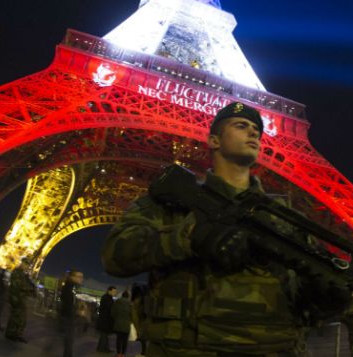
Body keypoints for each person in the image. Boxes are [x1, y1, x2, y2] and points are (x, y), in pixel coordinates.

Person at [102, 102, 331, 357]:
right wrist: (192, 237)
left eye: (257, 129)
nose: (254, 132)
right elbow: (115, 255)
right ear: (213, 140)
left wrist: (324, 298)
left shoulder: (288, 220)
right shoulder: (171, 203)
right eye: (241, 125)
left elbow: (302, 303)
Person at [5, 257, 36, 343]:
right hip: (17, 298)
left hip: (22, 299)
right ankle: (10, 334)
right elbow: (18, 286)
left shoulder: (23, 274)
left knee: (22, 318)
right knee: (15, 317)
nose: (27, 266)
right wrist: (28, 288)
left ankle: (18, 334)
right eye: (26, 264)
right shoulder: (16, 272)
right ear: (22, 263)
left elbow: (28, 285)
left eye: (28, 265)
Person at [58, 269, 85, 357]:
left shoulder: (72, 287)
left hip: (68, 316)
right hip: (68, 317)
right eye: (79, 277)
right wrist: (76, 311)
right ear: (72, 277)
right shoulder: (69, 287)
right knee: (69, 339)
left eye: (82, 277)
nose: (81, 279)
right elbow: (67, 303)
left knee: (69, 339)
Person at [112, 290, 133, 357]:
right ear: (128, 296)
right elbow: (132, 315)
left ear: (122, 295)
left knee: (118, 339)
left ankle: (118, 354)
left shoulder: (117, 302)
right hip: (126, 325)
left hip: (118, 324)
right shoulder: (130, 304)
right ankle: (123, 354)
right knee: (125, 340)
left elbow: (112, 313)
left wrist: (116, 319)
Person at [96, 286, 117, 352]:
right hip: (105, 320)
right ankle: (103, 349)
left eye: (115, 292)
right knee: (104, 334)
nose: (115, 293)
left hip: (105, 319)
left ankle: (102, 348)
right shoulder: (106, 298)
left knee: (104, 334)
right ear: (109, 291)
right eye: (113, 291)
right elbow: (109, 308)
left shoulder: (108, 297)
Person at [131, 282, 149, 357]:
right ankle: (143, 352)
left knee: (142, 338)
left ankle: (144, 352)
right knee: (143, 338)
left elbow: (135, 317)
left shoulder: (136, 302)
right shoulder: (145, 300)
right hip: (144, 322)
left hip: (141, 323)